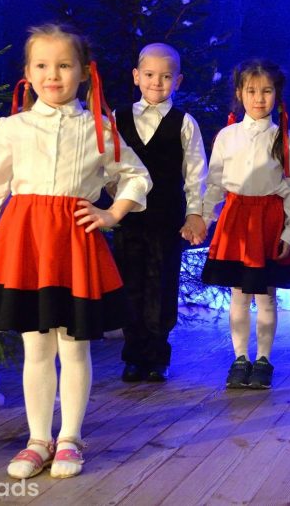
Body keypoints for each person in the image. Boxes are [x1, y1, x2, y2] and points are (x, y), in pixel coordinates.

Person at [0, 24, 150, 479]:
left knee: (73, 346)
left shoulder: (99, 128)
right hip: (26, 245)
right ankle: (37, 439)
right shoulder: (13, 127)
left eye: (64, 65)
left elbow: (135, 176)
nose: (53, 75)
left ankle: (69, 437)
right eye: (43, 66)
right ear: (28, 72)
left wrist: (112, 213)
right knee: (35, 347)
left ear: (84, 73)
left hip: (74, 246)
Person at [201, 59, 290, 391]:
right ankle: (239, 359)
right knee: (238, 293)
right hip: (236, 221)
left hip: (268, 222)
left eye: (266, 91)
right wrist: (202, 219)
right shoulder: (227, 136)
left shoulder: (285, 139)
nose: (259, 98)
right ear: (239, 93)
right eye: (251, 91)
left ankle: (262, 360)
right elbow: (215, 183)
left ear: (277, 94)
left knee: (265, 296)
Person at [112, 43, 208, 383]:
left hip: (167, 218)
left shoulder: (184, 123)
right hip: (128, 217)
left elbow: (196, 172)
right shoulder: (118, 118)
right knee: (131, 283)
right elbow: (106, 162)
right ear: (136, 76)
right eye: (150, 74)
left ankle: (157, 356)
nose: (156, 82)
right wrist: (110, 195)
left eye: (166, 76)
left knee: (162, 283)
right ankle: (133, 355)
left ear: (177, 81)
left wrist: (195, 213)